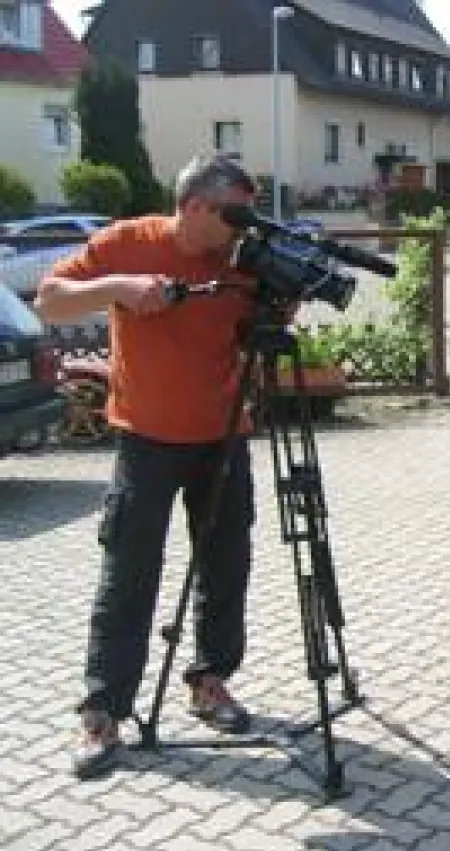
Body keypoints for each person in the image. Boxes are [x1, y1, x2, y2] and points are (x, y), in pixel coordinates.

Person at [36, 152, 263, 779]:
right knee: (129, 571)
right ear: (193, 206)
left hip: (223, 437)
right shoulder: (129, 242)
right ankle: (104, 712)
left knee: (226, 566)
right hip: (147, 440)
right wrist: (118, 290)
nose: (242, 229)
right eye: (233, 216)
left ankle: (210, 681)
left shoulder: (242, 261)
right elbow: (49, 302)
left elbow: (255, 332)